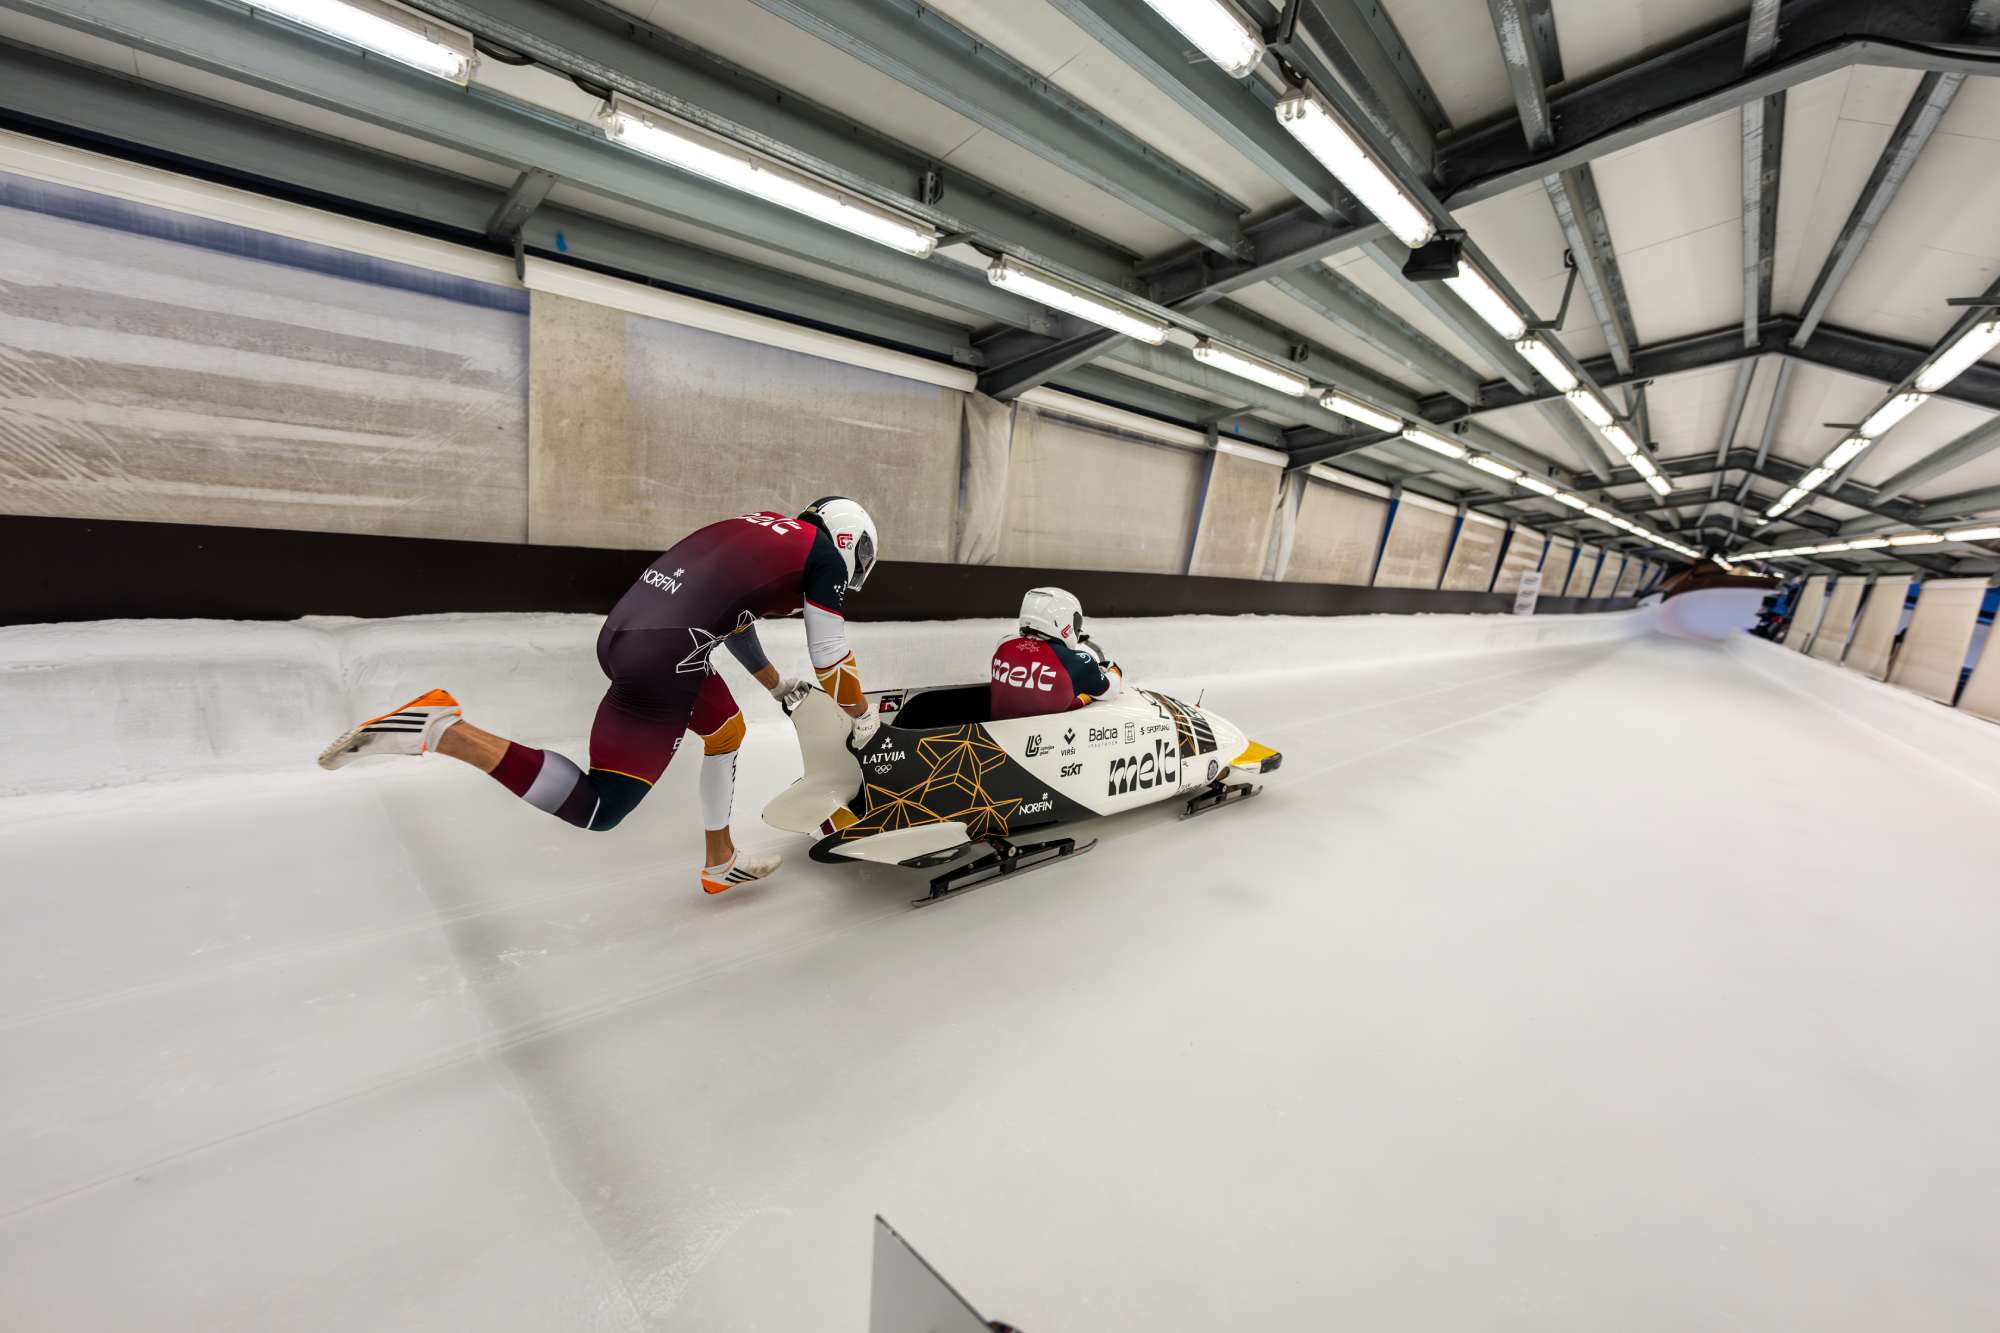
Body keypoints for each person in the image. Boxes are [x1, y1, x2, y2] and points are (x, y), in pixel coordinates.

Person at [317, 498, 881, 894]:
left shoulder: (762, 528)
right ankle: (444, 730)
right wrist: (859, 716)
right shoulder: (824, 555)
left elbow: (734, 615)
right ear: (848, 539)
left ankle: (720, 861)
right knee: (601, 808)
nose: (849, 573)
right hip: (670, 653)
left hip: (625, 634)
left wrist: (776, 685)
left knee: (726, 731)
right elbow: (830, 655)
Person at [990, 586, 1122, 720]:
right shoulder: (1078, 662)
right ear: (1065, 623)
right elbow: (1112, 690)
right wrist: (1113, 669)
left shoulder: (1004, 644)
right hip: (1043, 736)